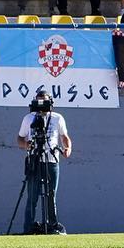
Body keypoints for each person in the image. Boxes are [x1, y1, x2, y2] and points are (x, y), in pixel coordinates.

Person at [15, 90, 71, 235]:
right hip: (34, 160)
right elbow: (20, 138)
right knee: (32, 196)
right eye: (39, 102)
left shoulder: (57, 118)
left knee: (51, 195)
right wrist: (27, 145)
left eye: (44, 102)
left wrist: (67, 148)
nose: (41, 106)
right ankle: (28, 228)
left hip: (51, 160)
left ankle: (53, 226)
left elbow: (64, 136)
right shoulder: (28, 118)